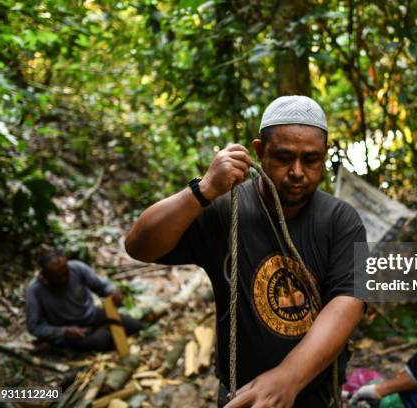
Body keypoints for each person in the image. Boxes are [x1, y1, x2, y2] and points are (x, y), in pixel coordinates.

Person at [125, 95, 367, 407]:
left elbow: (348, 300)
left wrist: (288, 378)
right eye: (283, 158)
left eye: (311, 159)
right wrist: (205, 189)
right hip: (240, 396)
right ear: (259, 152)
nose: (297, 172)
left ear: (325, 155)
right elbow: (139, 246)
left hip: (315, 395)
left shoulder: (341, 219)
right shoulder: (225, 210)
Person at [25, 251, 142, 352]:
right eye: (57, 277)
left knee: (134, 325)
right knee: (102, 342)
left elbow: (101, 286)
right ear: (44, 276)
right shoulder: (34, 290)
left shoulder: (76, 268)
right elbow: (34, 327)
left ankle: (104, 330)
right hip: (71, 332)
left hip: (92, 315)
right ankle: (104, 333)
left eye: (66, 273)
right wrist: (63, 332)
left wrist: (113, 291)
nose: (64, 279)